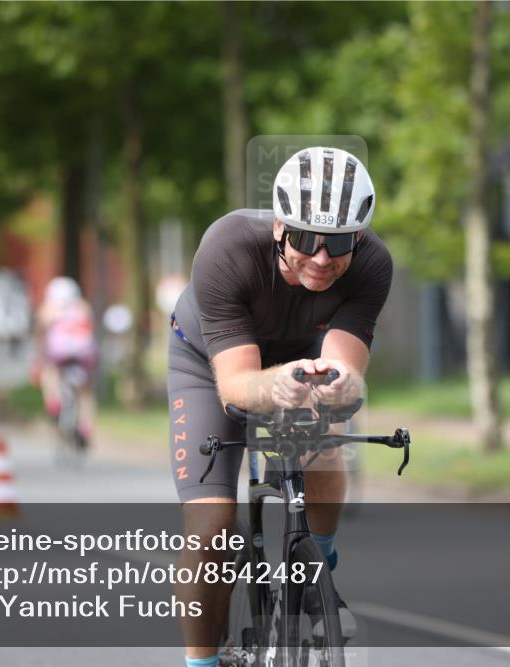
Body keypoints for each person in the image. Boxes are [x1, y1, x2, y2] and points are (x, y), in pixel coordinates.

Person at [167, 147, 392, 667]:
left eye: (336, 242)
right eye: (307, 239)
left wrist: (338, 389)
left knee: (322, 440)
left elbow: (345, 369)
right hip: (210, 362)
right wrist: (282, 384)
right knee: (211, 531)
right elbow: (239, 384)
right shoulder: (226, 249)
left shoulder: (373, 264)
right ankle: (201, 663)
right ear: (278, 228)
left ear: (357, 237)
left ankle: (319, 574)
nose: (321, 257)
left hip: (300, 355)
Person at [33, 276, 98, 448]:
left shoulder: (48, 308)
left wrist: (39, 356)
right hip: (84, 352)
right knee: (86, 391)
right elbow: (92, 330)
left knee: (50, 370)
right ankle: (86, 427)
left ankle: (54, 403)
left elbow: (40, 334)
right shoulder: (83, 306)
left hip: (59, 351)